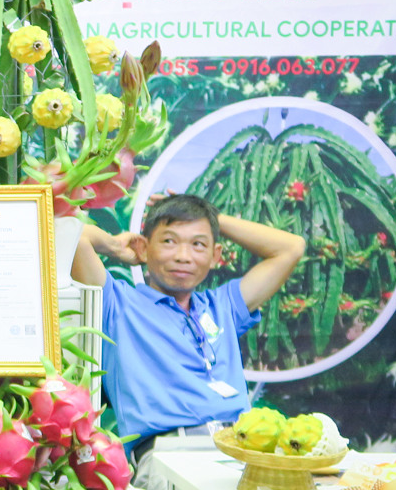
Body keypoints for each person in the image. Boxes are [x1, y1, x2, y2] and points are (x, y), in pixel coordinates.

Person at [70, 193, 306, 468]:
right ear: (144, 248)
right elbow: (74, 237)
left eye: (198, 244)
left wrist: (211, 217)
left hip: (244, 450)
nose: (183, 256)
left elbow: (291, 248)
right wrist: (115, 246)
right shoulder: (117, 303)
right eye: (169, 241)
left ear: (215, 255)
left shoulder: (223, 306)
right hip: (170, 454)